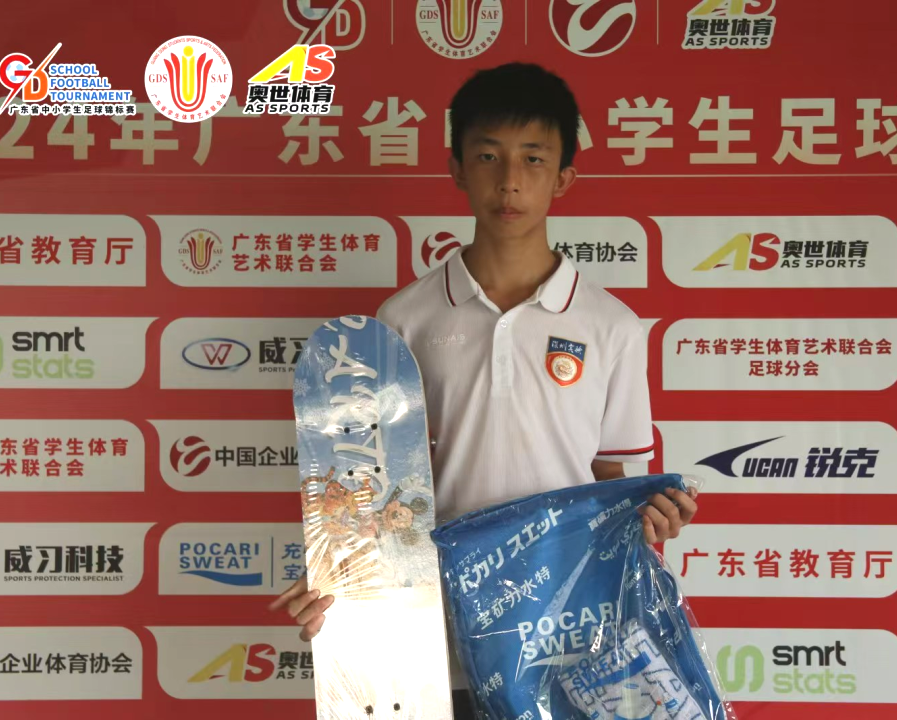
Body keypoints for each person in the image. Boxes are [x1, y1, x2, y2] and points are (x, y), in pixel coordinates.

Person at [270, 62, 699, 717]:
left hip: (567, 633)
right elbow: (368, 491)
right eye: (489, 156)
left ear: (564, 177)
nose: (510, 181)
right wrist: (341, 577)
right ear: (457, 168)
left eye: (534, 158)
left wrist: (654, 515)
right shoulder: (404, 320)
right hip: (438, 632)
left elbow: (614, 483)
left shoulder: (610, 325)